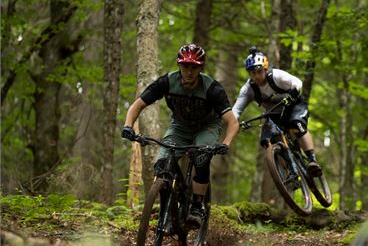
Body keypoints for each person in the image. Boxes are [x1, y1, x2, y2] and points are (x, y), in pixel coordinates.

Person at [122, 43, 239, 226]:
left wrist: (226, 143)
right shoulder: (167, 82)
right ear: (179, 65)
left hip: (207, 126)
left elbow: (232, 122)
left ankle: (197, 206)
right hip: (180, 126)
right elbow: (137, 105)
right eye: (185, 66)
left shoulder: (212, 89)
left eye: (194, 67)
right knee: (162, 165)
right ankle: (168, 211)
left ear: (201, 68)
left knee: (201, 156)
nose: (189, 71)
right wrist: (128, 126)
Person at [232, 46, 322, 177]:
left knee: (297, 124)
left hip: (294, 106)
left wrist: (292, 94)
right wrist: (234, 122)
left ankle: (312, 160)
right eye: (251, 72)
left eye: (258, 71)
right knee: (267, 140)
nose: (255, 76)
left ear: (265, 69)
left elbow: (297, 82)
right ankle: (288, 171)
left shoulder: (276, 76)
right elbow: (236, 110)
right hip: (274, 113)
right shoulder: (248, 89)